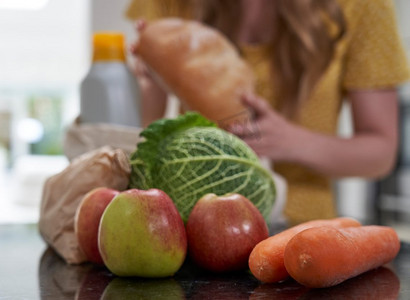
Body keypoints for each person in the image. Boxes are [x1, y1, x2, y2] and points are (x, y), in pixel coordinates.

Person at [125, 0, 410, 225]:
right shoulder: (171, 3)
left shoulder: (363, 5)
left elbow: (381, 153)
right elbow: (148, 135)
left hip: (302, 232)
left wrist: (293, 142)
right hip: (194, 225)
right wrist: (150, 84)